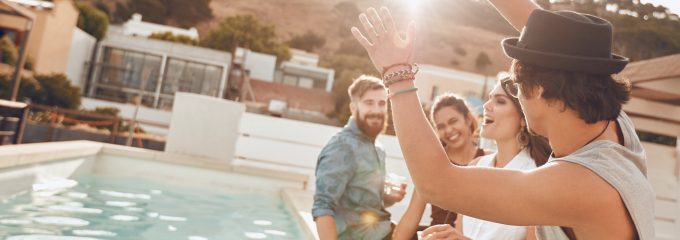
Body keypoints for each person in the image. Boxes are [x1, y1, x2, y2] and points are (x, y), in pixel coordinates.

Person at [350, 3, 654, 239]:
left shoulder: (582, 184)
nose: (516, 98)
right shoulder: (611, 121)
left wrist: (396, 71)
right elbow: (549, 30)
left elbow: (436, 184)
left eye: (516, 88)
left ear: (540, 90)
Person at [423, 77, 552, 240]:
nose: (486, 106)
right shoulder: (475, 166)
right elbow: (461, 232)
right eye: (489, 99)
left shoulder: (537, 178)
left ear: (523, 117)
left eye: (500, 101)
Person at [312, 75, 407, 240]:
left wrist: (388, 199)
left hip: (381, 231)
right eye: (369, 103)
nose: (377, 111)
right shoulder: (342, 147)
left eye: (382, 103)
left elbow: (364, 206)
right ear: (353, 108)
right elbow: (323, 206)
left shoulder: (377, 147)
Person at [392, 94, 485, 240]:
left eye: (453, 121)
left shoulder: (489, 160)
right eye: (441, 126)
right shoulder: (433, 164)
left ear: (467, 120)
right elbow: (410, 219)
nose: (448, 130)